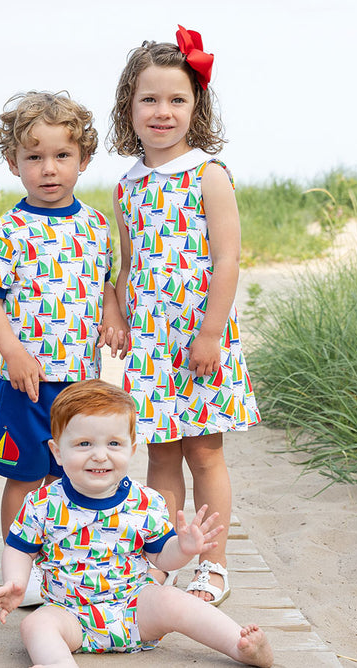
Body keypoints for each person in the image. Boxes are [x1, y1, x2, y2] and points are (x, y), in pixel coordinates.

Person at [107, 25, 258, 606]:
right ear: (130, 106)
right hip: (149, 341)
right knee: (160, 453)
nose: (163, 111)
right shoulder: (128, 184)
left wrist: (211, 332)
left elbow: (227, 259)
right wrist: (115, 311)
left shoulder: (208, 174)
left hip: (200, 335)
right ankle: (165, 561)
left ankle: (213, 565)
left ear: (197, 107)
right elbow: (127, 264)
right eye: (150, 99)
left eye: (177, 99)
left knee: (204, 450)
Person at [0, 380, 272, 666]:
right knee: (35, 625)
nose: (100, 454)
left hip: (134, 608)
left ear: (132, 448)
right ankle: (57, 662)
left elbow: (161, 557)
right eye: (84, 444)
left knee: (173, 600)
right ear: (58, 451)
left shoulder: (145, 502)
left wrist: (182, 548)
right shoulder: (42, 503)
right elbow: (20, 550)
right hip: (69, 614)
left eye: (114, 443)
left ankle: (238, 644)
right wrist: (16, 580)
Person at [0, 90, 124, 605]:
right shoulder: (7, 231)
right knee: (26, 474)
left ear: (83, 159)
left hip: (82, 381)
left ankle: (68, 562)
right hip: (29, 379)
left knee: (76, 473)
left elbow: (105, 281)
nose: (48, 168)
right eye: (33, 157)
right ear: (14, 164)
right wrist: (13, 353)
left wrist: (111, 313)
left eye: (62, 155)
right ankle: (21, 571)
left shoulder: (96, 226)